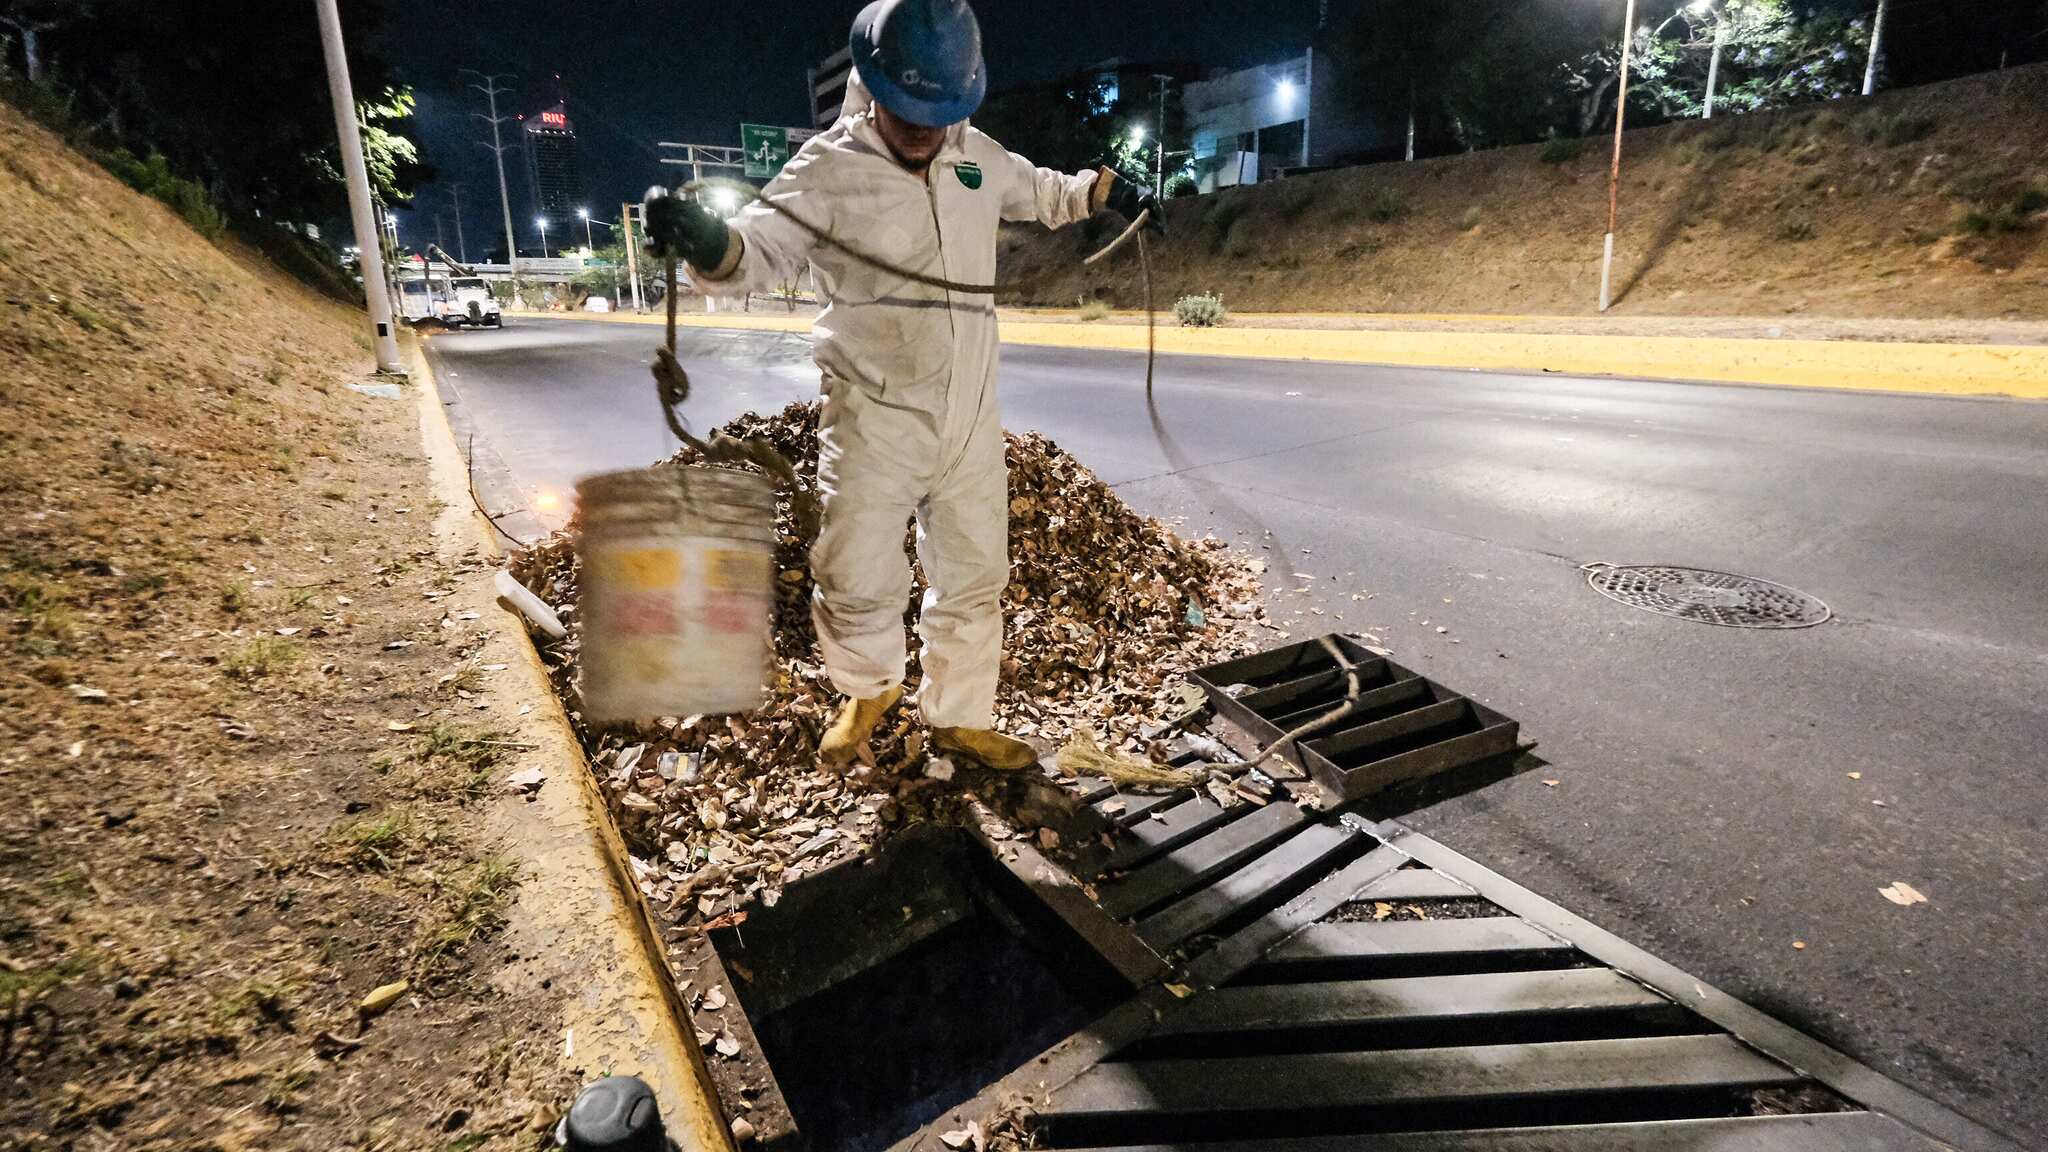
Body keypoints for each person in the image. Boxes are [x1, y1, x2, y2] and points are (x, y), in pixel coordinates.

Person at [644, 0, 1162, 773]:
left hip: (967, 418)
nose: (924, 128)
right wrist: (710, 244)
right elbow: (755, 257)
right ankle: (869, 689)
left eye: (941, 111)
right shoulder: (826, 170)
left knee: (975, 575)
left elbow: (1044, 191)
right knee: (856, 576)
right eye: (909, 109)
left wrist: (1104, 192)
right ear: (874, 83)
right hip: (873, 417)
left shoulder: (975, 154)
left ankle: (958, 719)